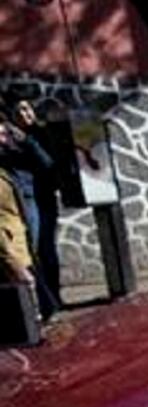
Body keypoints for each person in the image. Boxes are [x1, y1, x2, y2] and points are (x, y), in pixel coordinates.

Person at [0, 106, 56, 319]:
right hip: (11, 215)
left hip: (27, 202)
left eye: (5, 133)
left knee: (35, 254)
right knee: (21, 260)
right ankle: (36, 308)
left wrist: (25, 140)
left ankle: (43, 305)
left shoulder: (21, 145)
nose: (3, 137)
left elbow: (46, 163)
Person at [11, 97, 62, 308]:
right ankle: (44, 300)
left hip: (45, 198)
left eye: (27, 108)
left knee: (47, 249)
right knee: (33, 249)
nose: (25, 114)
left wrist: (27, 141)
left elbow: (49, 163)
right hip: (26, 197)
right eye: (19, 110)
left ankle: (54, 296)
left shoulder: (41, 134)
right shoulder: (11, 138)